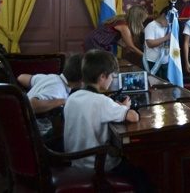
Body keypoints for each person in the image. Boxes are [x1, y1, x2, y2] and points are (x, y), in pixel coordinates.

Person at [63, 49, 150, 192]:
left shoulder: (71, 98)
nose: (112, 79)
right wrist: (125, 107)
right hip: (98, 165)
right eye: (112, 75)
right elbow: (133, 117)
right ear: (102, 77)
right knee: (141, 174)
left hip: (75, 161)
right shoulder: (102, 102)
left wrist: (115, 106)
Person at [17, 53, 83, 139]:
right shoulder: (58, 90)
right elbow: (32, 105)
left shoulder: (50, 78)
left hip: (21, 126)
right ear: (82, 80)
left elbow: (21, 77)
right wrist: (63, 101)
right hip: (37, 136)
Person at [83, 6, 148, 57]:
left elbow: (115, 38)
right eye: (142, 19)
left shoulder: (122, 19)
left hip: (93, 40)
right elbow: (131, 47)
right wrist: (145, 56)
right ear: (137, 18)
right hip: (95, 42)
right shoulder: (124, 26)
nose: (142, 21)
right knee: (102, 63)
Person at [143, 5, 172, 79]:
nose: (169, 23)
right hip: (152, 61)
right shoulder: (151, 26)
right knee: (154, 83)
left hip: (166, 61)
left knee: (167, 85)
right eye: (169, 20)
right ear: (163, 15)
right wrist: (166, 38)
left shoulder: (170, 27)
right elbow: (150, 44)